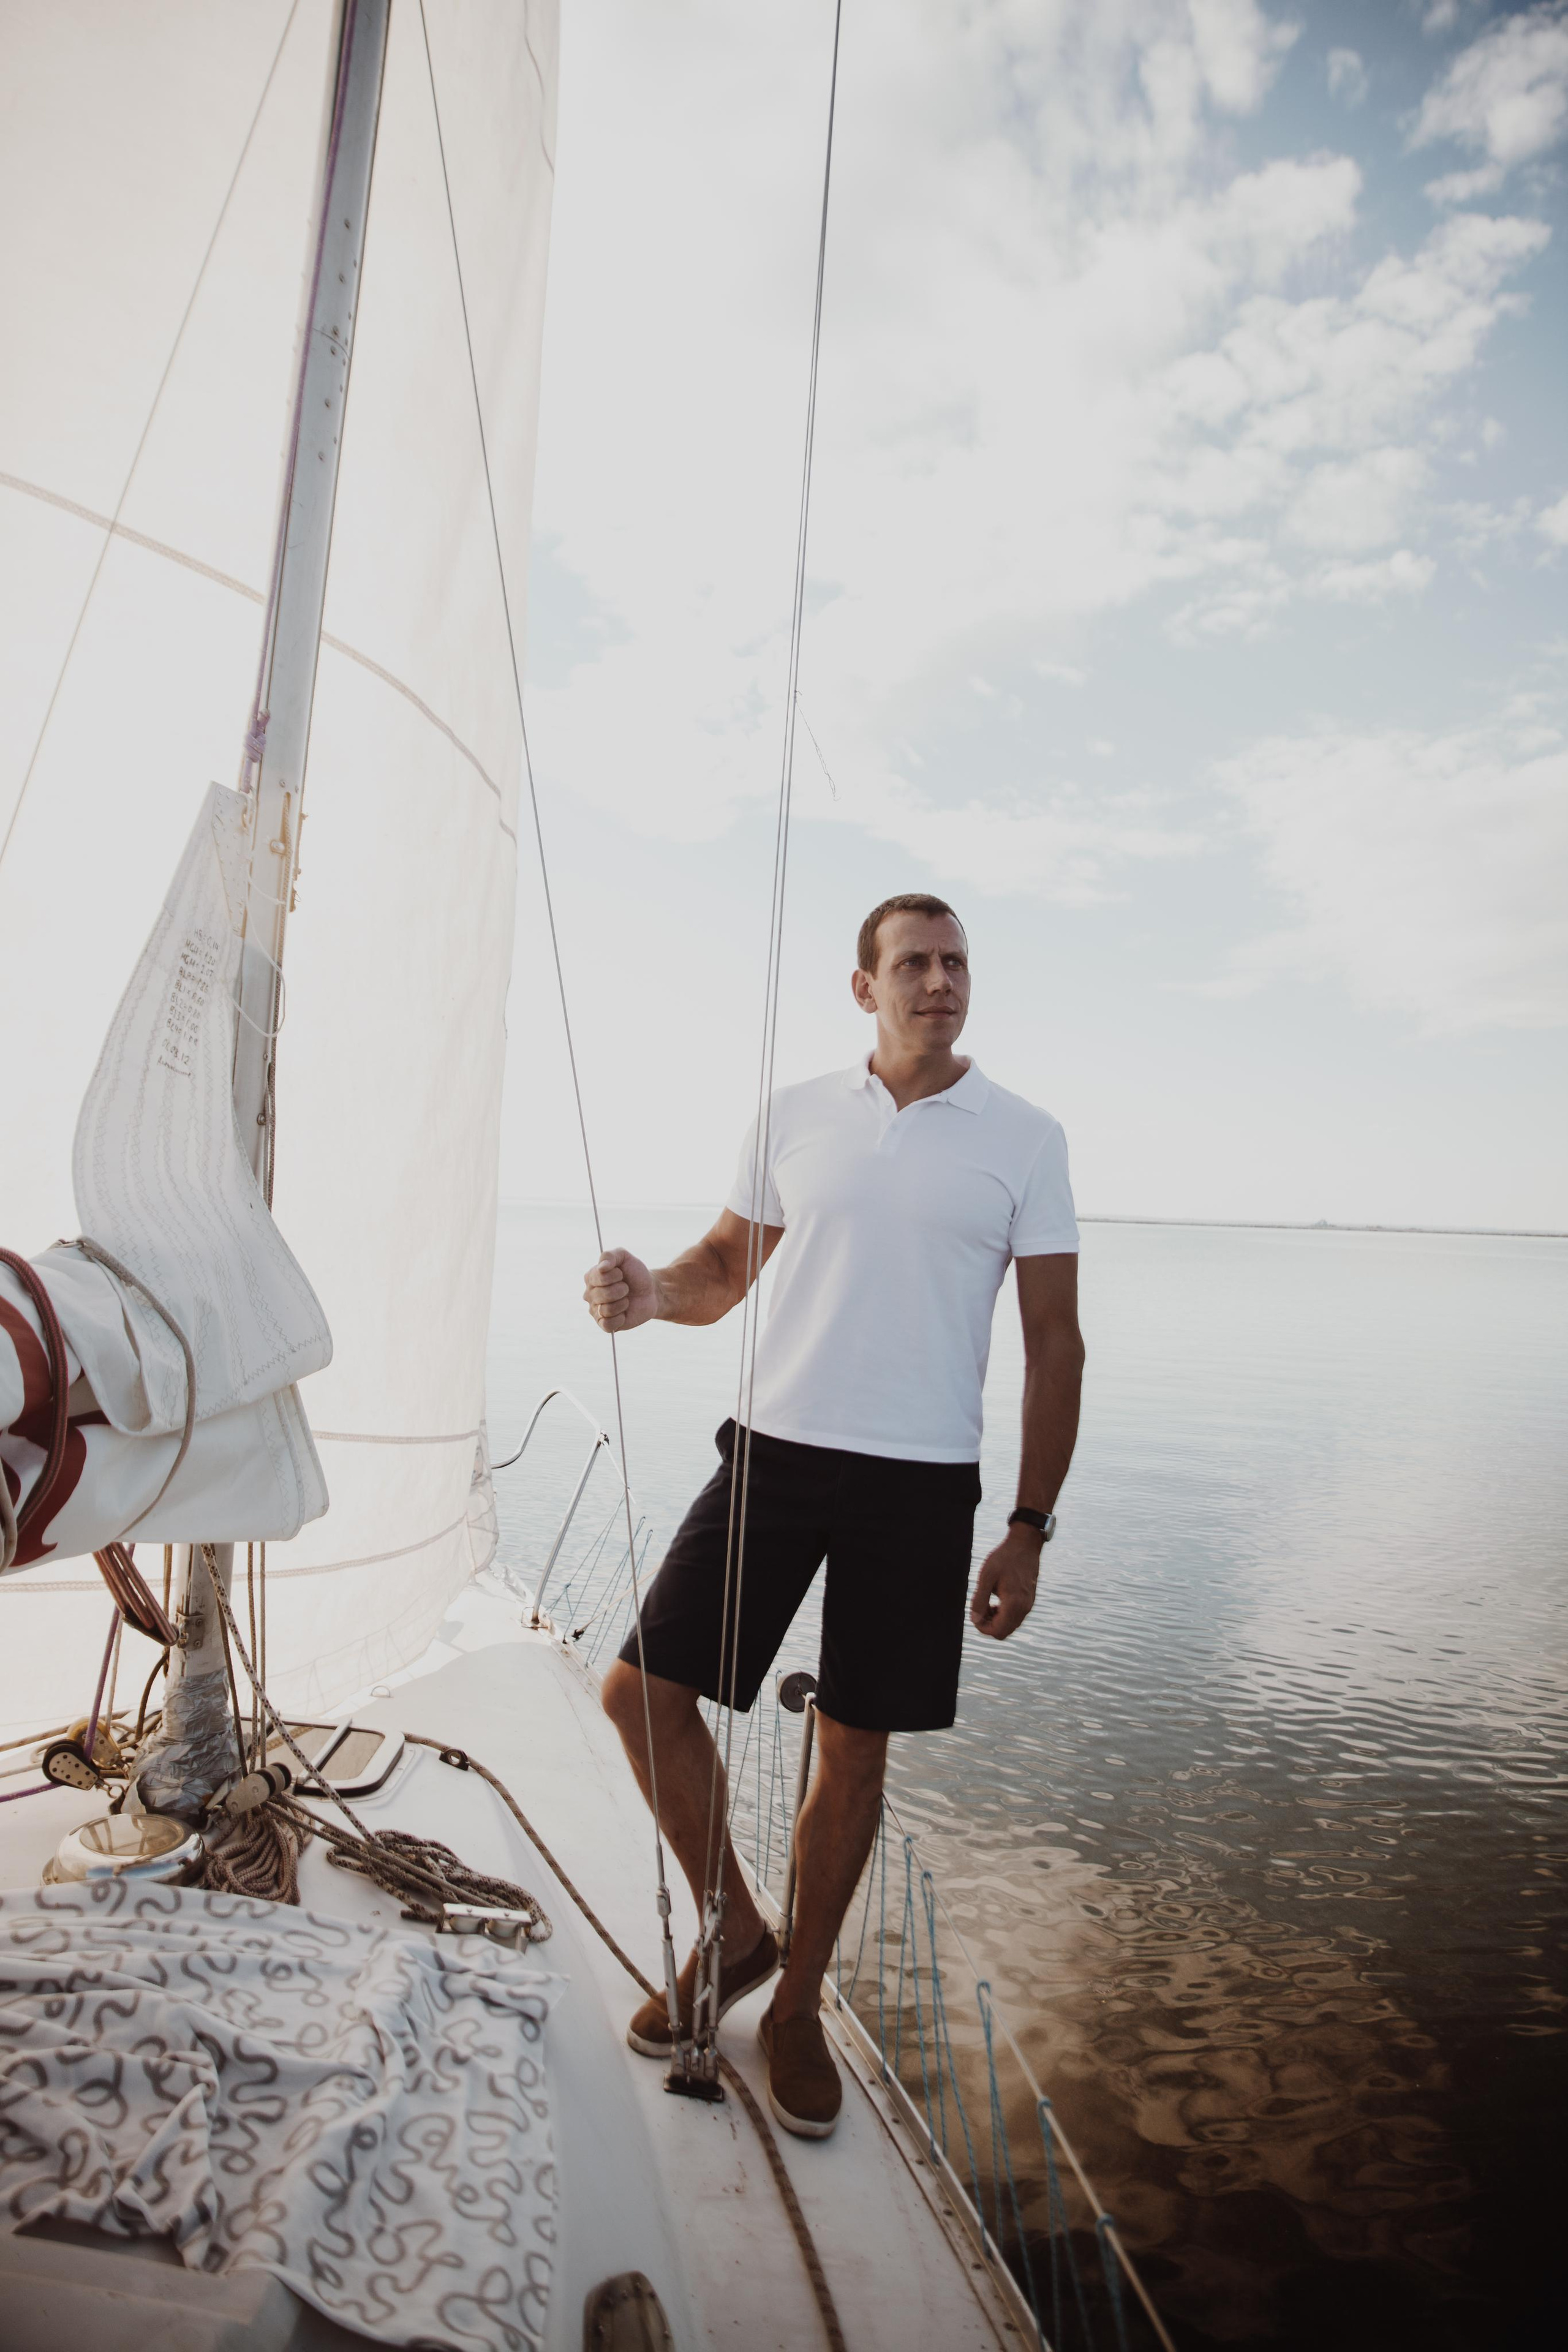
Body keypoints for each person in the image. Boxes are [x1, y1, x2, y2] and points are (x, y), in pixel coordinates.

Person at [584, 892, 1083, 2140]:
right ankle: (739, 1931)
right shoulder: (795, 1115)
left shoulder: (1023, 1138)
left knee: (852, 1746)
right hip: (774, 1455)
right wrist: (649, 1293)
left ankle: (797, 2005)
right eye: (909, 964)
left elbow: (1052, 1343)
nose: (936, 981)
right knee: (638, 1692)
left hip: (920, 1484)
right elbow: (720, 1268)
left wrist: (1028, 1525)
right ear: (862, 987)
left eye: (953, 962)